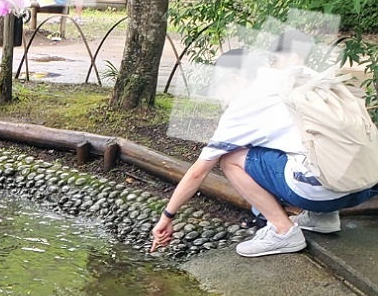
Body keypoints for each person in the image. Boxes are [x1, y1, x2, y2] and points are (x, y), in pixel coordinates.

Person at [151, 31, 378, 258]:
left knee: (230, 159)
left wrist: (167, 216)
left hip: (318, 191)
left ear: (233, 79)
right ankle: (322, 218)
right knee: (295, 142)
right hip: (365, 182)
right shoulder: (293, 77)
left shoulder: (243, 107)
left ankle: (283, 231)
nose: (219, 97)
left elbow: (197, 173)